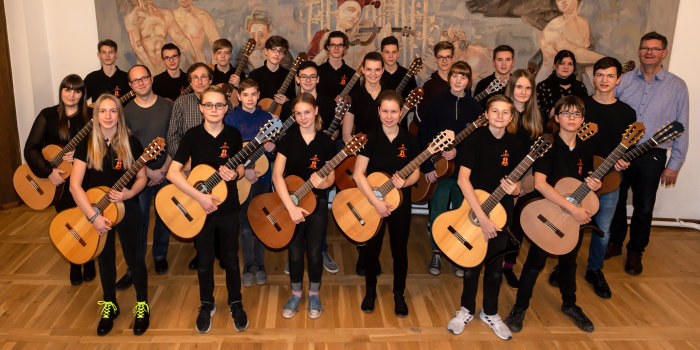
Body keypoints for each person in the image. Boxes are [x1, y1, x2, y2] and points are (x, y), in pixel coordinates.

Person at [503, 95, 607, 334]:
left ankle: (570, 305)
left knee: (568, 265)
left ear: (582, 119)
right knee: (533, 264)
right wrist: (573, 209)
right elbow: (540, 184)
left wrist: (593, 185)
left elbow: (581, 184)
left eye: (577, 114)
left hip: (573, 217)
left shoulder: (585, 147)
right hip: (548, 214)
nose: (572, 118)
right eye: (566, 113)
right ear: (557, 118)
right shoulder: (547, 144)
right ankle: (519, 308)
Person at [166, 86, 249, 334]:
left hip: (228, 207)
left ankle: (236, 302)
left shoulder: (234, 135)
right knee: (204, 260)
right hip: (199, 209)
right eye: (209, 105)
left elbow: (242, 169)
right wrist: (199, 197)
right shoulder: (192, 136)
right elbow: (173, 173)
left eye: (219, 105)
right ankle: (206, 304)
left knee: (232, 259)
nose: (214, 109)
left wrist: (235, 173)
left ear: (226, 108)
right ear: (201, 107)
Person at [607, 31, 689, 275]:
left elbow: (681, 125)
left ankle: (636, 251)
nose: (649, 52)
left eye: (654, 49)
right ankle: (615, 242)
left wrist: (675, 163)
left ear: (664, 52)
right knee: (616, 200)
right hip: (621, 152)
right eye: (645, 48)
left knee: (644, 206)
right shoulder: (624, 80)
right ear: (639, 51)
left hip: (652, 155)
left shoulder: (677, 86)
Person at [69, 94, 149, 336]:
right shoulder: (86, 144)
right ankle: (110, 304)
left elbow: (143, 177)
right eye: (103, 111)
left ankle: (142, 304)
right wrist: (93, 217)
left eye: (112, 111)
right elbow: (75, 186)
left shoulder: (132, 143)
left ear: (119, 114)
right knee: (104, 261)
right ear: (96, 115)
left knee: (135, 258)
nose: (107, 116)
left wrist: (129, 193)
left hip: (128, 209)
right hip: (96, 211)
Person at [445, 94, 522, 341]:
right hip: (474, 214)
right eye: (495, 111)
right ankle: (466, 309)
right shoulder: (474, 140)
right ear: (486, 114)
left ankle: (490, 312)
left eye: (505, 113)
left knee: (495, 268)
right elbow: (462, 180)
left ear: (511, 117)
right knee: (471, 265)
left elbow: (518, 184)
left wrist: (517, 189)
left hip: (503, 215)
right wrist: (483, 218)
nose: (500, 116)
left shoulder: (516, 143)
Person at [23, 74, 95, 286]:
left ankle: (89, 258)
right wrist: (48, 172)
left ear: (83, 94)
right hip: (59, 181)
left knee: (88, 217)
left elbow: (105, 144)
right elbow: (30, 148)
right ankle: (74, 261)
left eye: (77, 91)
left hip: (87, 176)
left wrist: (85, 154)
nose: (72, 95)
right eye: (67, 89)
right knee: (67, 222)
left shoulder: (92, 115)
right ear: (61, 91)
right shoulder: (48, 115)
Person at [353, 90, 420, 317]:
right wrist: (376, 203)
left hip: (401, 204)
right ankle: (370, 291)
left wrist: (405, 181)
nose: (389, 116)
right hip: (374, 203)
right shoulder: (369, 138)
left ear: (401, 112)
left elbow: (416, 175)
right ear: (378, 112)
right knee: (372, 250)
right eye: (385, 111)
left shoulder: (410, 140)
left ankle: (398, 294)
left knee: (399, 250)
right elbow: (358, 174)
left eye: (393, 111)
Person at [274, 93, 336, 319]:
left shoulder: (326, 142)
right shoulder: (287, 140)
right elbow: (277, 175)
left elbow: (331, 178)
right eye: (298, 113)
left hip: (316, 205)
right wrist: (290, 207)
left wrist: (324, 181)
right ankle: (296, 294)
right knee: (295, 252)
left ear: (316, 111)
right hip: (290, 204)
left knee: (314, 252)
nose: (303, 117)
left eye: (307, 112)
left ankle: (314, 294)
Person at [419, 61, 482, 277]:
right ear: (449, 78)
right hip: (438, 170)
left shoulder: (475, 107)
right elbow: (424, 135)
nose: (458, 80)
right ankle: (437, 251)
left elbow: (477, 142)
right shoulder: (436, 103)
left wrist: (459, 153)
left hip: (463, 172)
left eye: (463, 77)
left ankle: (456, 253)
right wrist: (427, 166)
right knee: (438, 211)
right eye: (455, 75)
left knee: (460, 212)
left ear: (468, 80)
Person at [115, 65, 173, 291]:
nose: (140, 83)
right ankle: (134, 266)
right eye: (135, 81)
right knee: (137, 222)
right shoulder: (126, 112)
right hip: (138, 175)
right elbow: (124, 147)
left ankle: (160, 254)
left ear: (151, 79)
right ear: (130, 85)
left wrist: (164, 170)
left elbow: (174, 139)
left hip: (166, 171)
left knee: (165, 215)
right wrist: (146, 172)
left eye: (144, 78)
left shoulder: (168, 106)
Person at [223, 78, 274, 285]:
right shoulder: (232, 118)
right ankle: (248, 264)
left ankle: (261, 264)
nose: (250, 98)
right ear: (239, 96)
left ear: (259, 95)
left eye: (254, 94)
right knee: (244, 223)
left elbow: (272, 152)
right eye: (245, 95)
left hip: (264, 177)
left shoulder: (268, 117)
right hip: (241, 178)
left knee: (261, 218)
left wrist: (272, 148)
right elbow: (231, 150)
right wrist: (247, 170)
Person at [293, 61, 340, 272]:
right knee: (294, 209)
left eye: (313, 76)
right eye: (304, 76)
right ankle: (294, 251)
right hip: (296, 166)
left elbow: (335, 133)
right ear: (297, 78)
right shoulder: (290, 105)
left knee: (319, 209)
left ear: (318, 79)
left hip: (320, 164)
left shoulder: (329, 104)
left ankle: (320, 250)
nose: (308, 80)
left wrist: (326, 141)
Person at [501, 68, 543, 288]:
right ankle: (491, 262)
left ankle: (508, 266)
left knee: (518, 226)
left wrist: (527, 183)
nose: (523, 91)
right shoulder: (502, 114)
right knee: (500, 223)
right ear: (511, 88)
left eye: (528, 88)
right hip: (502, 178)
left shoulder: (535, 118)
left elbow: (539, 156)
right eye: (519, 87)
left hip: (526, 178)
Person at [537, 0, 604, 84]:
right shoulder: (554, 27)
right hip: (549, 83)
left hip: (574, 82)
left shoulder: (583, 23)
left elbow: (587, 63)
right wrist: (608, 60)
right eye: (558, 0)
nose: (563, 2)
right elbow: (575, 53)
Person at [123, 0, 196, 74]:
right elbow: (137, 46)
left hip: (165, 65)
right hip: (147, 67)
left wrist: (195, 64)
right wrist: (152, 70)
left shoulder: (165, 14)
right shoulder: (132, 17)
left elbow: (181, 40)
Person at [341, 52, 387, 144]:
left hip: (384, 149)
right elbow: (346, 135)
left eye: (377, 70)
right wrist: (360, 155)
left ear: (382, 70)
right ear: (362, 70)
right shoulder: (353, 96)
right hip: (360, 149)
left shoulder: (390, 95)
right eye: (369, 69)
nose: (373, 74)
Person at [536, 50, 587, 130]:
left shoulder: (580, 86)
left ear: (574, 67)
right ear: (554, 65)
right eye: (562, 63)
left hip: (577, 132)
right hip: (550, 133)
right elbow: (538, 114)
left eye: (570, 64)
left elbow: (585, 112)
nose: (566, 67)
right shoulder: (543, 86)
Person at [248, 36, 296, 119]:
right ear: (266, 51)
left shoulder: (289, 75)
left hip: (281, 121)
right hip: (258, 120)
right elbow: (248, 102)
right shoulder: (254, 75)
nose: (277, 54)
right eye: (273, 50)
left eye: (281, 51)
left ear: (284, 55)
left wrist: (287, 101)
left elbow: (294, 103)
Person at [415, 41, 455, 128]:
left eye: (448, 57)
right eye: (441, 57)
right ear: (435, 59)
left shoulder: (461, 83)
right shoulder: (428, 85)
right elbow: (419, 115)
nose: (444, 61)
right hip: (433, 135)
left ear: (453, 59)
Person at [172, 0, 220, 64]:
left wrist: (215, 67)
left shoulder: (203, 16)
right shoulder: (171, 16)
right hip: (178, 66)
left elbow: (216, 43)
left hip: (199, 63)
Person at [84, 39, 131, 104]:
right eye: (104, 52)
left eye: (111, 52)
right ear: (99, 55)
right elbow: (80, 100)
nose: (107, 55)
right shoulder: (91, 78)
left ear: (116, 54)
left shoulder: (127, 77)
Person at [316, 31, 356, 99]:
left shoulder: (352, 74)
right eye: (333, 45)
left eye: (340, 45)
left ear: (344, 48)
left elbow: (356, 100)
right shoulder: (317, 72)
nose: (336, 48)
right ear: (328, 47)